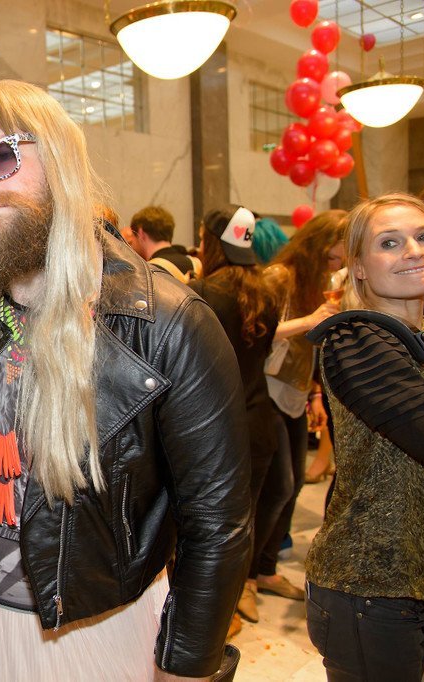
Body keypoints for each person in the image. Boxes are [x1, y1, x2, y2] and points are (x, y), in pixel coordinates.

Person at [0, 79, 250, 680]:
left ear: (59, 158)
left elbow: (218, 524)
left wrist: (184, 665)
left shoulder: (167, 324)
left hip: (103, 628)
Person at [305, 193, 424, 681]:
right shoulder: (356, 339)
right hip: (369, 589)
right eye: (389, 243)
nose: (413, 251)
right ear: (357, 267)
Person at [189, 207, 281, 630]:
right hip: (259, 419)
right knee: (246, 518)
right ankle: (237, 598)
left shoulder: (201, 293)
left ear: (209, 241)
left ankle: (216, 617)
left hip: (214, 428)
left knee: (210, 528)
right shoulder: (267, 293)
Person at [254, 210, 346, 603]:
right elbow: (254, 333)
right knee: (276, 488)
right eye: (332, 258)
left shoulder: (320, 282)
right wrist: (312, 319)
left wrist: (314, 394)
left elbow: (309, 349)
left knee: (290, 490)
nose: (337, 266)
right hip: (266, 391)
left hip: (295, 393)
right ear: (316, 248)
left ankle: (266, 570)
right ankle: (247, 579)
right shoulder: (279, 277)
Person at [131, 204, 202, 281]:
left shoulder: (149, 273)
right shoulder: (197, 264)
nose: (131, 244)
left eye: (133, 235)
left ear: (141, 233)